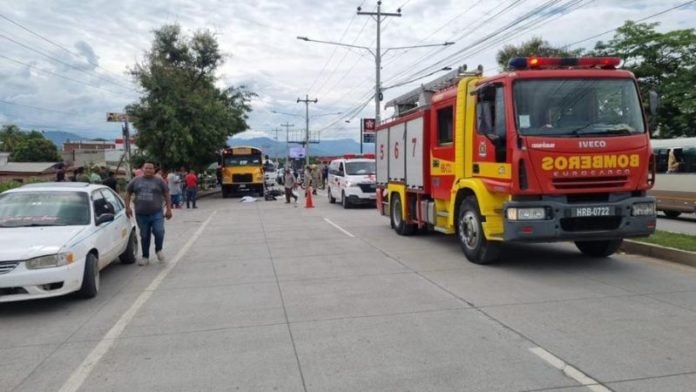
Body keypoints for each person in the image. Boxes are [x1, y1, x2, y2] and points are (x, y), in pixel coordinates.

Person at [125, 162, 172, 266]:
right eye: (146, 168)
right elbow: (128, 193)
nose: (149, 170)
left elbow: (167, 194)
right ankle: (145, 257)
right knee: (144, 235)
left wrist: (169, 209)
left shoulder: (159, 181)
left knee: (159, 231)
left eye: (151, 168)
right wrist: (127, 207)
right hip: (141, 214)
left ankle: (158, 249)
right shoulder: (136, 181)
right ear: (143, 169)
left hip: (157, 213)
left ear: (154, 170)